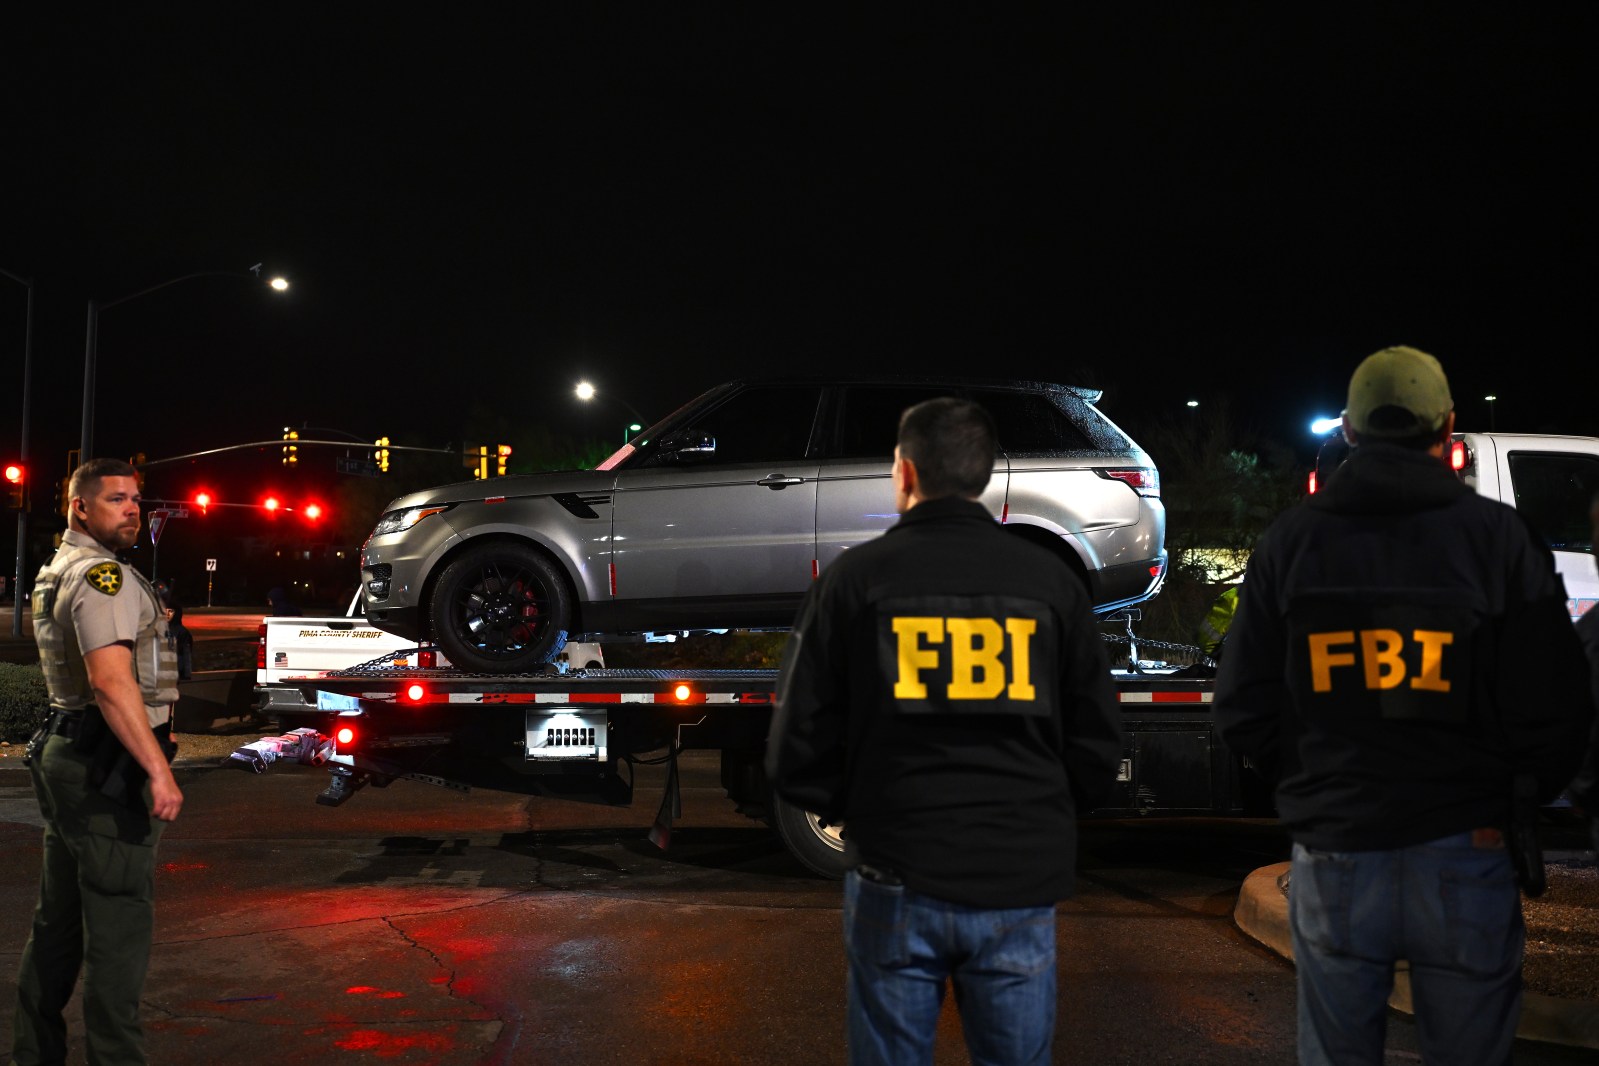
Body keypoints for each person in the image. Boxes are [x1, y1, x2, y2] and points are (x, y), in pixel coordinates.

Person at [1214, 346, 1595, 1066]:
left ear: (1350, 434)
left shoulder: (1292, 543)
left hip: (1338, 846)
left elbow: (1241, 708)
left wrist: (1316, 786)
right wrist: (1505, 800)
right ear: (1448, 429)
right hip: (1466, 848)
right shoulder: (1499, 540)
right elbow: (1559, 707)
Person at [766, 397, 1122, 1065]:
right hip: (1017, 877)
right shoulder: (1050, 584)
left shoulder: (852, 583)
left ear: (903, 473)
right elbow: (1098, 745)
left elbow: (795, 753)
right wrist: (1034, 817)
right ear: (985, 476)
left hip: (895, 873)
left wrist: (868, 811)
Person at [16, 458, 184, 1066]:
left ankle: (34, 1054)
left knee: (58, 922)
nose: (133, 509)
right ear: (79, 507)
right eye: (116, 499)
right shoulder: (101, 576)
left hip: (70, 754)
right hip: (105, 767)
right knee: (117, 927)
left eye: (137, 499)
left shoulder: (61, 568)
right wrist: (159, 771)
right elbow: (112, 684)